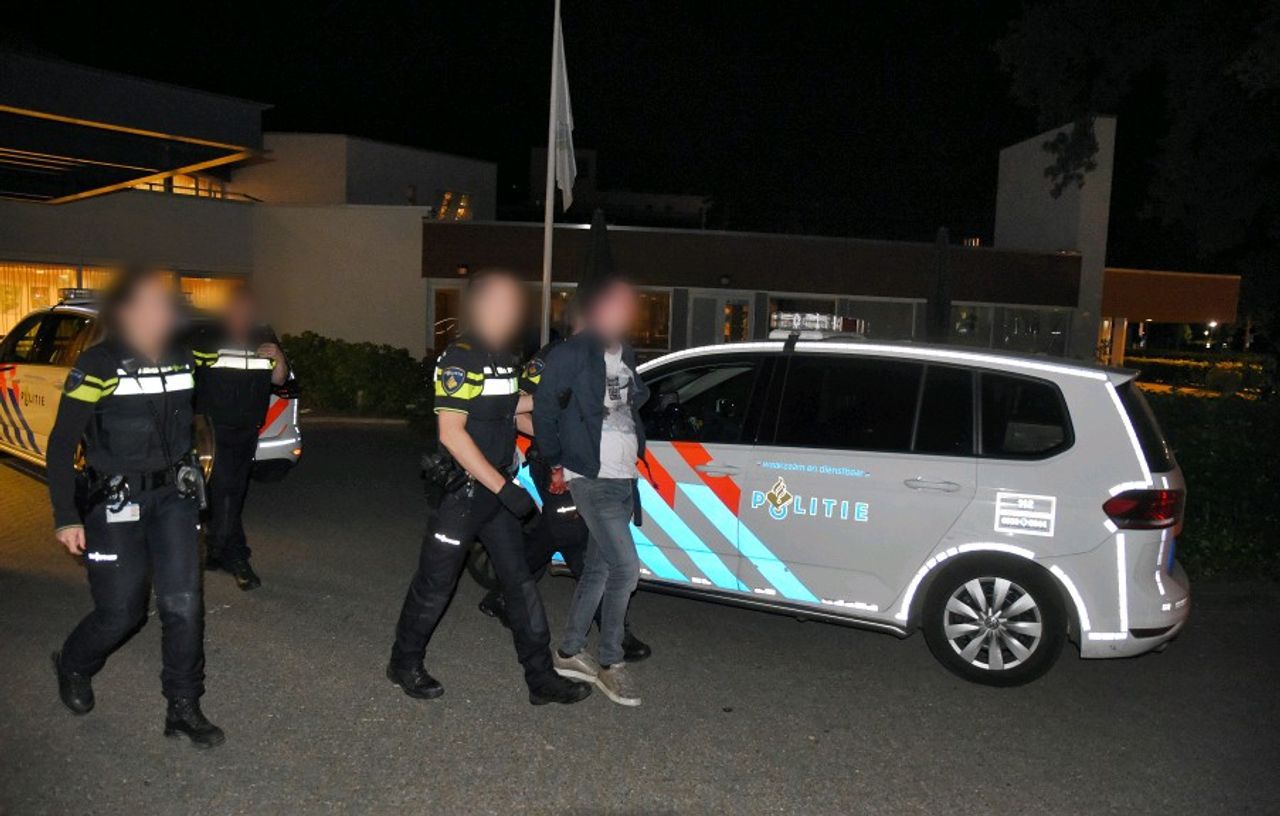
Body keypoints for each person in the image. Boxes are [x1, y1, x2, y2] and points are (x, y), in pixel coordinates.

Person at [387, 268, 591, 706]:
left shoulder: (503, 357)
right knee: (436, 583)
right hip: (464, 494)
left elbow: (509, 408)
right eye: (502, 301)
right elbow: (451, 433)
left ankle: (540, 679)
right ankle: (404, 662)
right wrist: (504, 488)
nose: (512, 309)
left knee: (519, 583)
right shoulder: (460, 356)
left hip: (496, 488)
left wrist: (554, 413)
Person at [48, 267, 224, 749]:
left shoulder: (184, 359)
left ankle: (183, 706)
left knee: (184, 604)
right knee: (122, 612)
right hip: (116, 500)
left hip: (173, 500)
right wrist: (65, 516)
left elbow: (206, 404)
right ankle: (74, 663)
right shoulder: (97, 364)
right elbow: (61, 444)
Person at [478, 305, 652, 663]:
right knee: (574, 539)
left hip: (592, 466)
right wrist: (558, 435)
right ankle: (604, 636)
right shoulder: (555, 357)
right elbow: (514, 407)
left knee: (560, 535)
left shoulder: (610, 356)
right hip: (554, 461)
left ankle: (509, 598)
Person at [533, 277, 649, 707]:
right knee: (626, 569)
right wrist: (556, 461)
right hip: (591, 476)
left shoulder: (626, 353)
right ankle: (610, 662)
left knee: (599, 569)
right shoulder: (572, 353)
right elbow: (544, 407)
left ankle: (568, 651)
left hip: (623, 477)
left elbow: (630, 408)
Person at [192, 285, 288, 590]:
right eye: (239, 308)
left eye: (249, 309)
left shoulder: (264, 337)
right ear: (228, 310)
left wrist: (279, 357)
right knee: (226, 490)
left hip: (247, 430)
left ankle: (216, 549)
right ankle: (236, 556)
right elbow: (187, 379)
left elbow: (280, 379)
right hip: (213, 430)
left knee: (234, 490)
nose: (244, 315)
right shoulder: (207, 338)